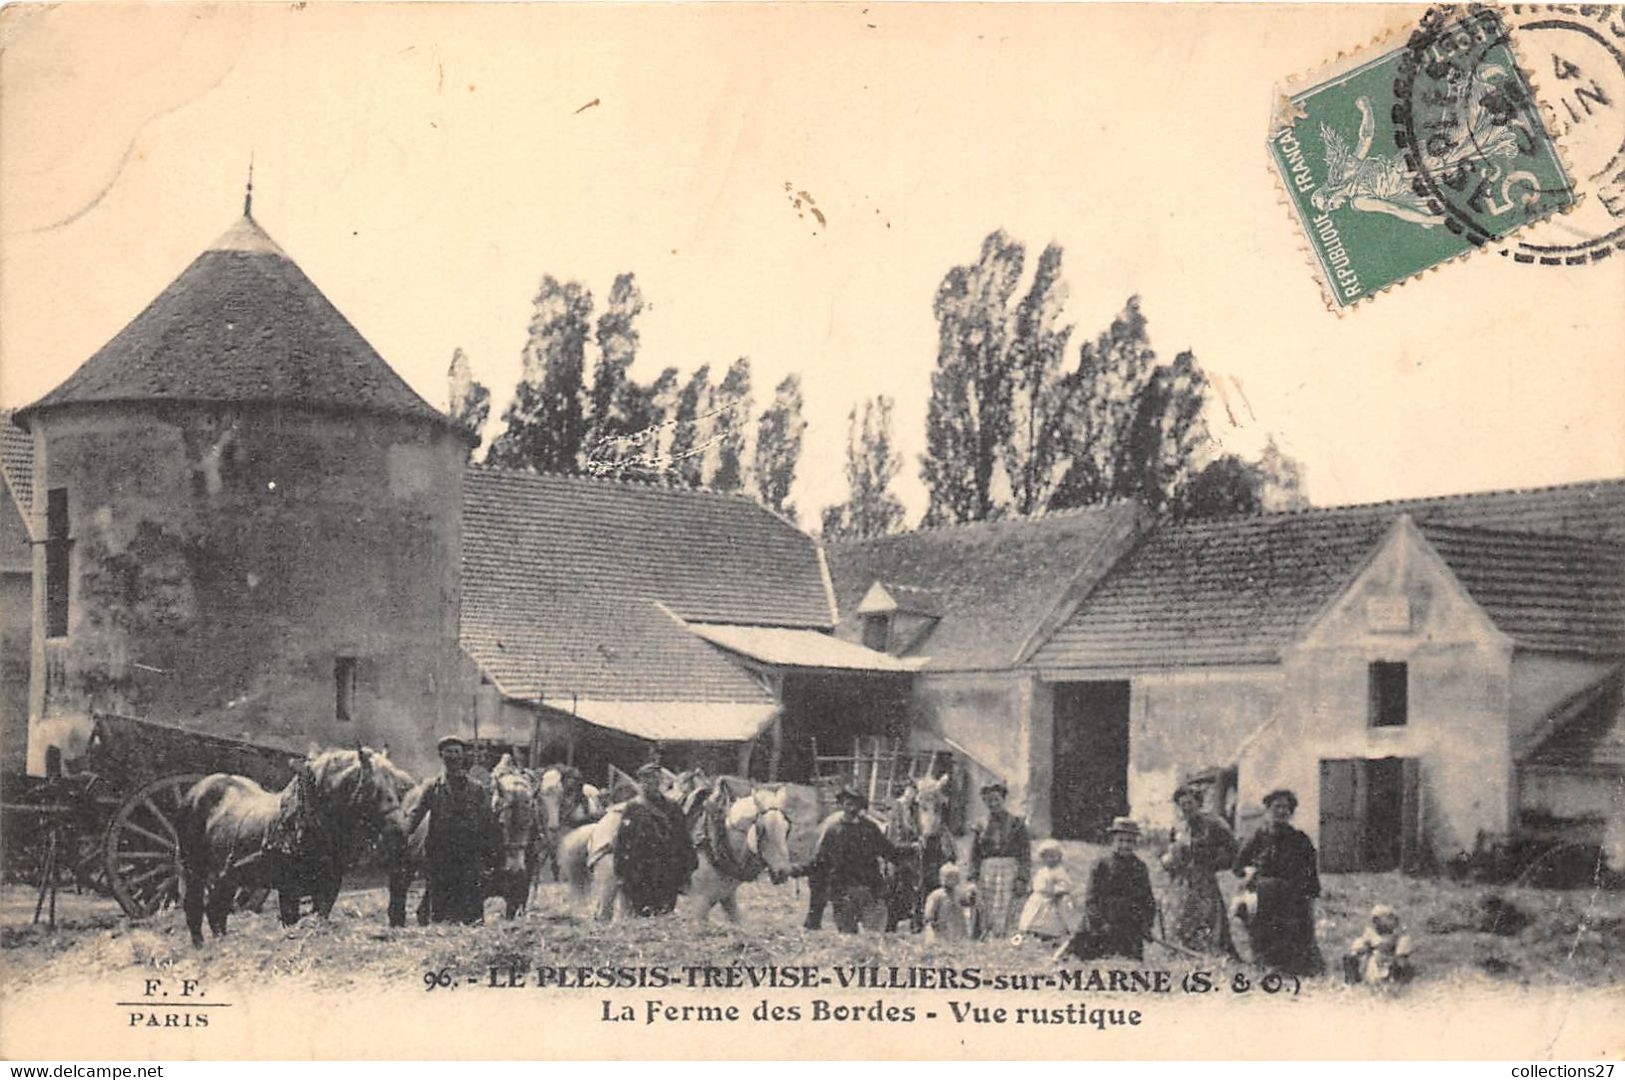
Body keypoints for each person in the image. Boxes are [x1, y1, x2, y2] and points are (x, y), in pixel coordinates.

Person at [793, 788, 913, 933]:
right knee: (848, 939)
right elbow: (819, 862)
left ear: (860, 805)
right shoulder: (833, 831)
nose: (851, 806)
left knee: (874, 938)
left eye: (855, 802)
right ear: (841, 804)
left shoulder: (870, 829)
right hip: (844, 896)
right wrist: (794, 870)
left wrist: (913, 849)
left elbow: (890, 852)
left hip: (870, 893)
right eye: (847, 802)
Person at [407, 735, 499, 925]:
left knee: (471, 900)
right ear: (442, 756)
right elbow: (416, 814)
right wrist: (402, 834)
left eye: (457, 752)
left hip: (469, 852)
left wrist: (490, 852)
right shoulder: (432, 787)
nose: (453, 757)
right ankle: (437, 927)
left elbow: (488, 822)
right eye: (449, 752)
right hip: (440, 852)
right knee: (439, 897)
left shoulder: (477, 789)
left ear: (463, 755)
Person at [1233, 788, 1325, 975]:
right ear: (1268, 809)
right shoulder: (1259, 836)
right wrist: (1248, 873)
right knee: (1261, 927)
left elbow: (1310, 870)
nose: (1281, 811)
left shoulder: (1300, 839)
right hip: (1264, 892)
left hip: (1291, 894)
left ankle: (1289, 966)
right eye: (1277, 807)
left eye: (1286, 808)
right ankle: (1265, 962)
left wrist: (1311, 895)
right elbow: (1238, 865)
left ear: (1291, 812)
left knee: (1291, 929)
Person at [1161, 782, 1240, 959]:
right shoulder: (1178, 827)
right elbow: (1170, 851)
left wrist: (1213, 863)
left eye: (1190, 803)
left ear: (1199, 803)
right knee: (1180, 915)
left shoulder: (1214, 823)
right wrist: (1168, 862)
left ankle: (1209, 953)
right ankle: (1182, 952)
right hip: (1181, 881)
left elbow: (1234, 850)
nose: (1186, 808)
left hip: (1203, 879)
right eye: (1182, 804)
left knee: (1208, 917)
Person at [1062, 817, 1157, 961]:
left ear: (1135, 843)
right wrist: (1100, 925)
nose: (1125, 845)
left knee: (1128, 962)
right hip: (1101, 925)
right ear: (1113, 840)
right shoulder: (1101, 864)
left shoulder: (1140, 867)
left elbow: (1147, 900)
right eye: (1121, 840)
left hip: (1128, 928)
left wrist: (1146, 925)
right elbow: (1091, 899)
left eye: (1129, 841)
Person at [616, 762, 698, 916]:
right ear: (640, 783)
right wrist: (621, 873)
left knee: (665, 912)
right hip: (641, 871)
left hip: (667, 869)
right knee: (641, 914)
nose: (650, 784)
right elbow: (623, 842)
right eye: (646, 780)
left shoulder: (672, 807)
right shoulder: (634, 807)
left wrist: (689, 864)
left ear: (660, 782)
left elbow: (683, 836)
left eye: (654, 780)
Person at [968, 781, 1031, 940]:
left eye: (996, 799)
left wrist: (1022, 877)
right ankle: (985, 935)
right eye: (989, 800)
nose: (993, 804)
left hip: (1009, 869)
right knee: (984, 902)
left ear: (1003, 800)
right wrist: (973, 876)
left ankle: (1005, 937)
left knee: (1008, 903)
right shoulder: (980, 825)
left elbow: (1024, 853)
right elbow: (974, 854)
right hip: (987, 870)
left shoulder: (1016, 823)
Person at [1015, 839, 1076, 944]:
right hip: (1038, 898)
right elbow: (1038, 882)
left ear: (1059, 857)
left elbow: (1065, 884)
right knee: (1033, 915)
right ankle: (1032, 932)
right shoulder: (1042, 871)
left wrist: (1057, 891)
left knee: (1049, 918)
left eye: (1053, 856)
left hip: (1051, 898)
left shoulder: (1059, 871)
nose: (1050, 859)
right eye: (1047, 856)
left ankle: (1049, 935)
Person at [1343, 904, 1414, 985]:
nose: (1394, 921)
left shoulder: (1401, 937)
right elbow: (1357, 950)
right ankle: (1353, 984)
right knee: (1350, 957)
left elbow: (1401, 959)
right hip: (1373, 967)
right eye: (1389, 918)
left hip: (1390, 968)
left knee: (1399, 964)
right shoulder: (1369, 935)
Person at [922, 862, 971, 945]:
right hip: (942, 925)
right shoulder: (937, 895)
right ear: (942, 879)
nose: (952, 880)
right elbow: (930, 910)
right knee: (940, 941)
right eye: (949, 877)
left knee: (958, 939)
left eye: (955, 878)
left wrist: (971, 896)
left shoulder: (958, 894)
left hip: (957, 924)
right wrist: (930, 919)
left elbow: (966, 903)